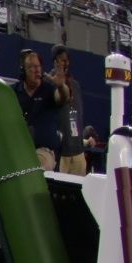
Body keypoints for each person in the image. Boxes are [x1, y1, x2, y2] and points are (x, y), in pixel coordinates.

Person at [14, 49, 67, 173]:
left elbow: (62, 98)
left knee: (35, 168)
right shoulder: (14, 92)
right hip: (18, 149)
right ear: (23, 71)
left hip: (44, 152)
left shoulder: (49, 90)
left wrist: (61, 86)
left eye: (38, 66)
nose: (37, 70)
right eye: (32, 67)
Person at [50, 48, 90, 177]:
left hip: (78, 152)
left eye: (67, 60)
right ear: (55, 61)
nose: (65, 64)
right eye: (62, 60)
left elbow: (78, 116)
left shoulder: (75, 85)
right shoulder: (49, 83)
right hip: (60, 153)